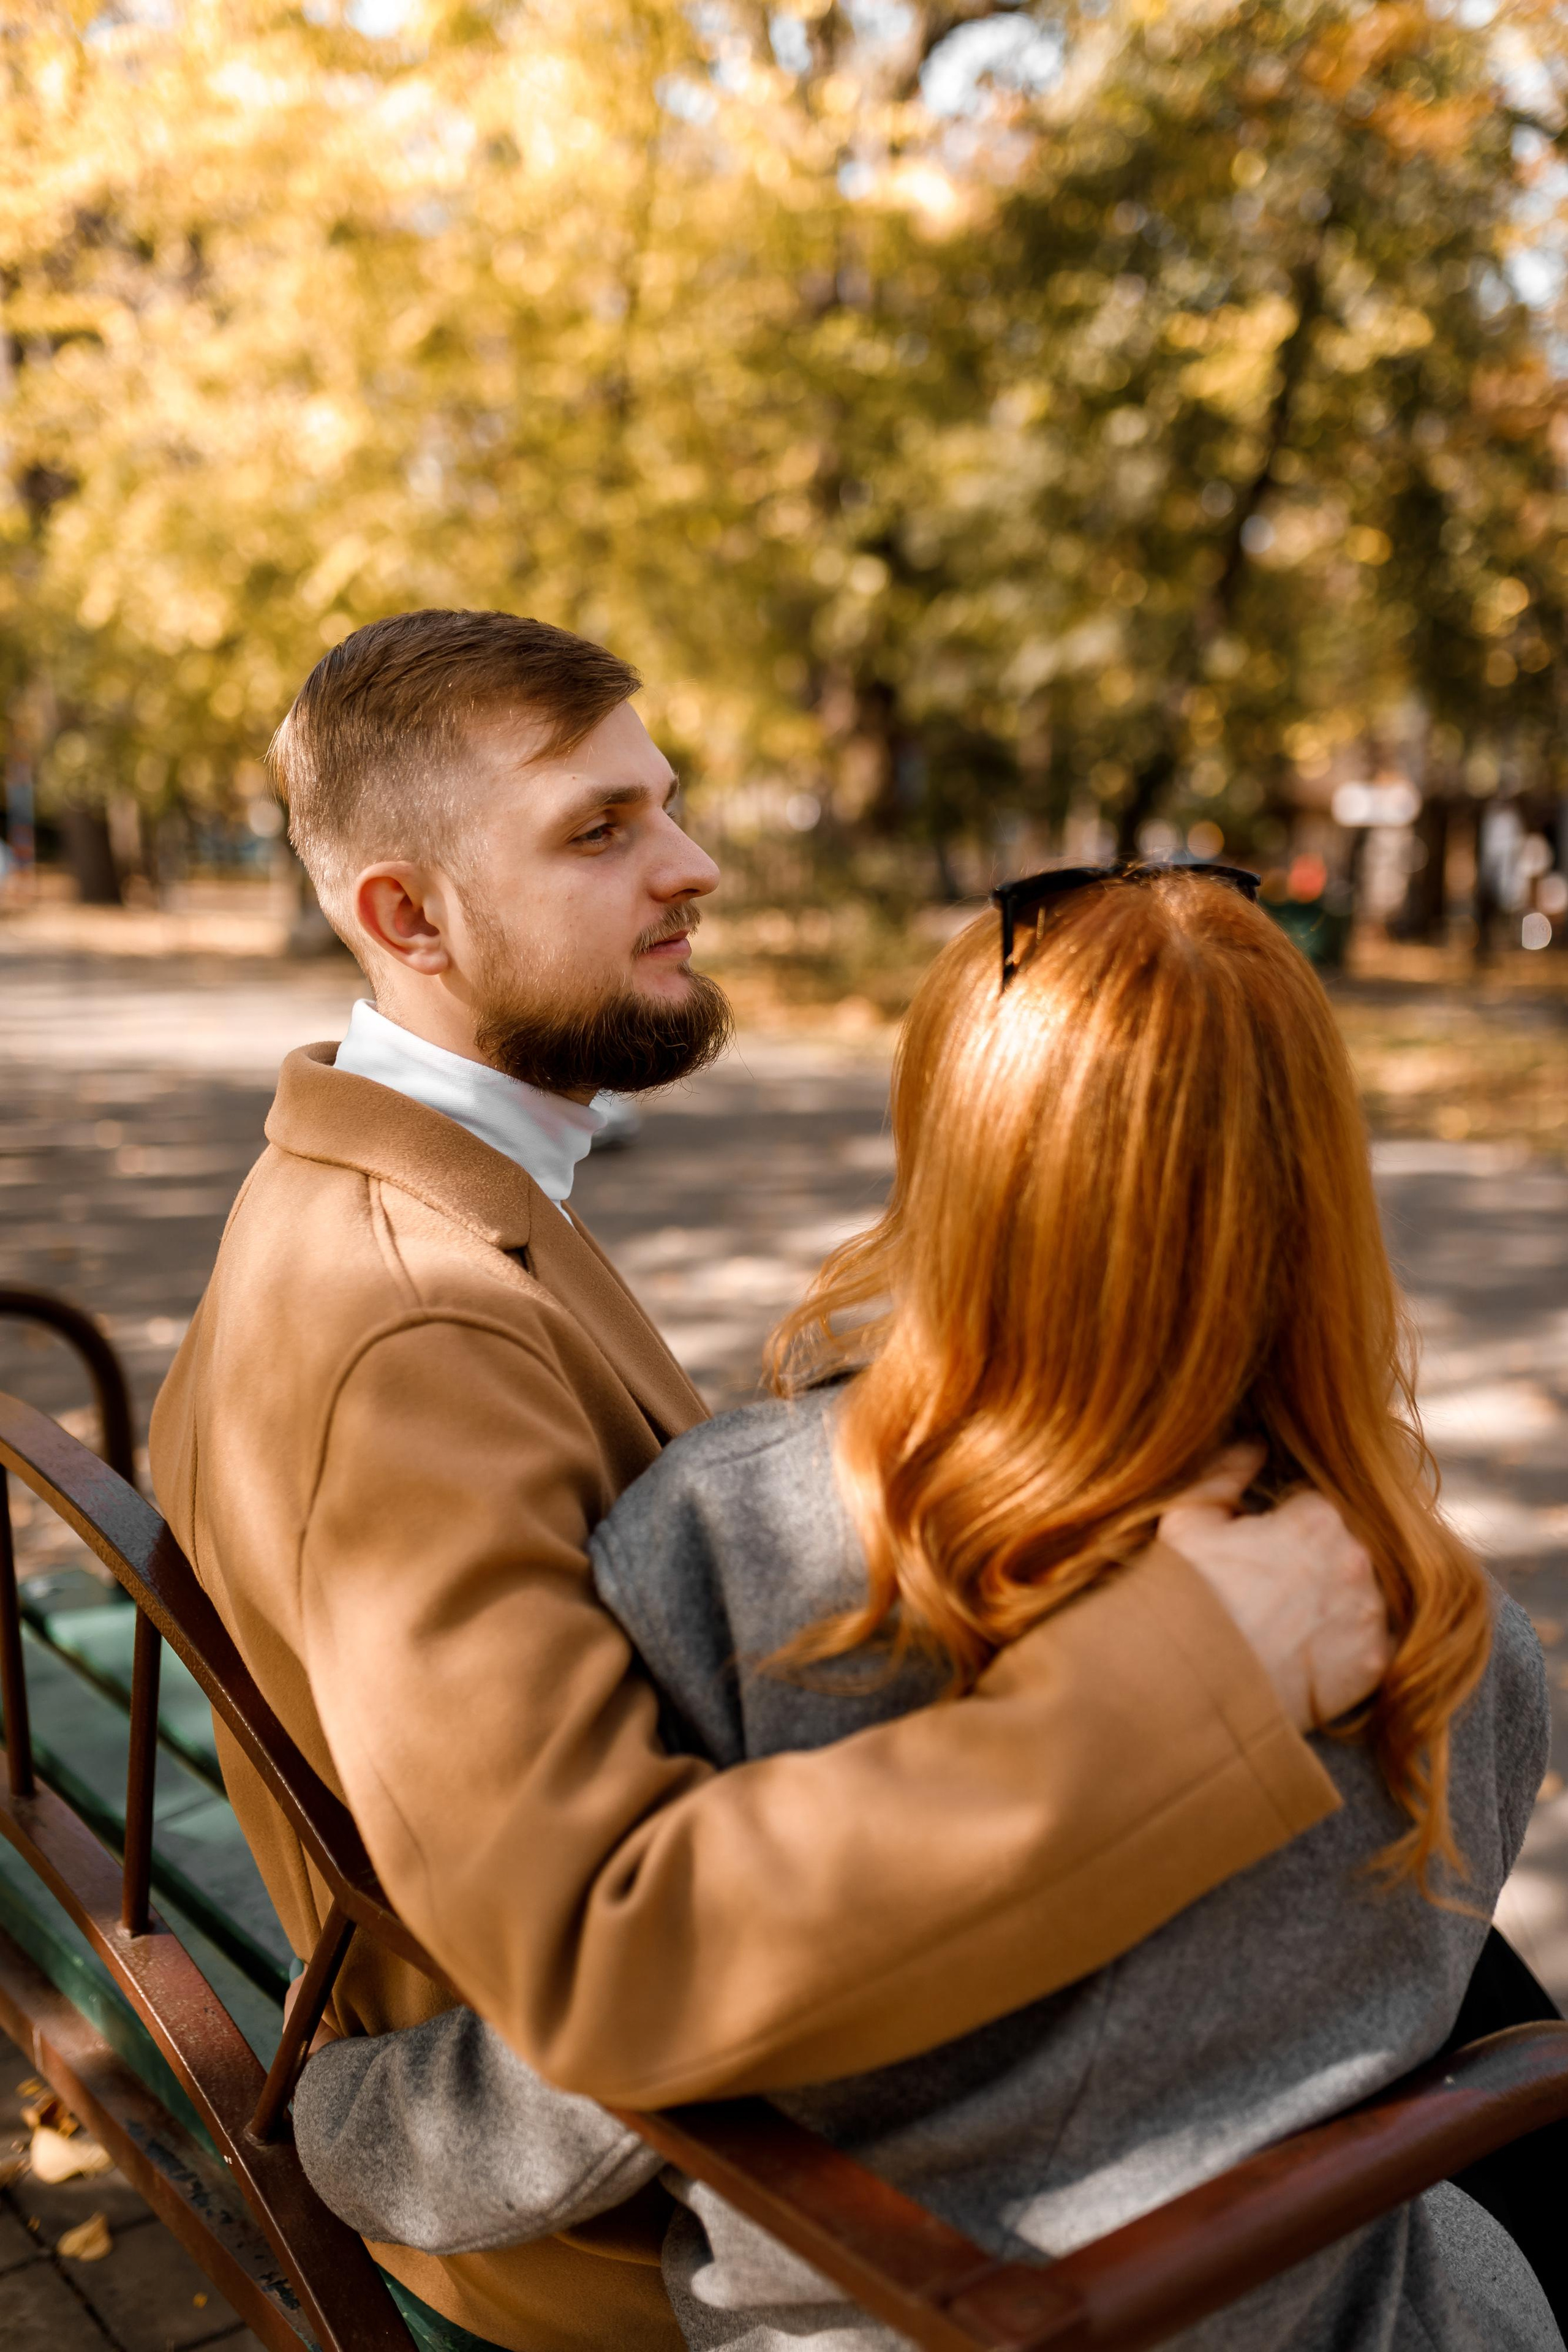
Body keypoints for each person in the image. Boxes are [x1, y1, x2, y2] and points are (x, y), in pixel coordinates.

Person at [149, 611, 1389, 2352]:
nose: (694, 866)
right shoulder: (410, 1331)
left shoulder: (417, 1210)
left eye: (667, 805)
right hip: (633, 2213)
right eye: (599, 833)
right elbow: (607, 1960)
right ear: (404, 918)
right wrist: (1210, 1684)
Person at [290, 865, 1557, 2350]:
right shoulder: (1460, 1639)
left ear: (956, 1155)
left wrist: (337, 2118)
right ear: (1316, 1182)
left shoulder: (743, 1544)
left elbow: (604, 2075)